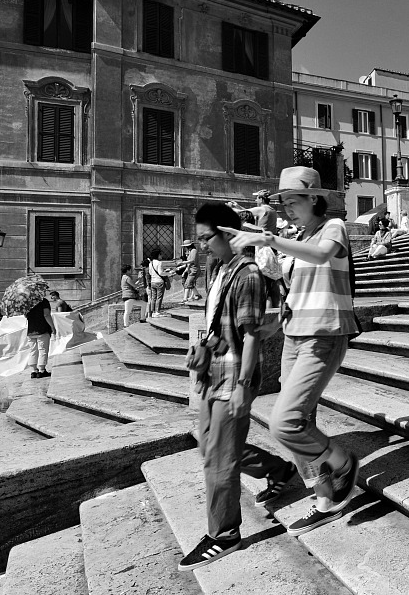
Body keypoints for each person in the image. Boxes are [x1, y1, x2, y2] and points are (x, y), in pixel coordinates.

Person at [223, 166, 360, 536]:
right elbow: (278, 275)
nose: (286, 208)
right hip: (294, 334)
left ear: (314, 198)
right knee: (301, 422)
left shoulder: (333, 228)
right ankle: (325, 498)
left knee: (285, 421)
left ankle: (343, 463)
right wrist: (254, 237)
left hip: (324, 333)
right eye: (281, 202)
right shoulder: (297, 236)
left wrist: (269, 239)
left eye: (292, 201)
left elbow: (320, 256)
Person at [177, 203, 294, 571]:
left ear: (228, 234)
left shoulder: (248, 275)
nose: (200, 247)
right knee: (209, 445)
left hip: (234, 378)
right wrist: (204, 351)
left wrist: (245, 384)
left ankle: (224, 534)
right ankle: (280, 470)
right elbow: (220, 327)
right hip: (215, 372)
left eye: (205, 238)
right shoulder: (220, 270)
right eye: (197, 240)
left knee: (218, 459)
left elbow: (251, 336)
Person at [26, 297, 54, 378]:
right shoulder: (43, 301)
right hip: (42, 329)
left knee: (32, 350)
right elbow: (46, 314)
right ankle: (42, 370)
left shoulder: (27, 302)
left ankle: (33, 370)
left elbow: (26, 315)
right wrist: (52, 327)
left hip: (31, 330)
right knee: (43, 350)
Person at [147, 249, 170, 318]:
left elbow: (150, 273)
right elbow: (160, 273)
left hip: (153, 282)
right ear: (158, 255)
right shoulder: (159, 263)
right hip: (159, 282)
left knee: (153, 297)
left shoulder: (150, 263)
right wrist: (168, 273)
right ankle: (157, 312)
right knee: (159, 297)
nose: (161, 256)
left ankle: (153, 312)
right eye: (160, 254)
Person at [121, 264, 145, 328]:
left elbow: (133, 285)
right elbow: (134, 285)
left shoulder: (124, 277)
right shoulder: (127, 277)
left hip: (129, 296)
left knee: (144, 304)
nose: (131, 271)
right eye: (130, 270)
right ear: (128, 270)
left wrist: (139, 281)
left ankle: (142, 318)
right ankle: (125, 325)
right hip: (129, 296)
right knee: (127, 311)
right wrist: (140, 280)